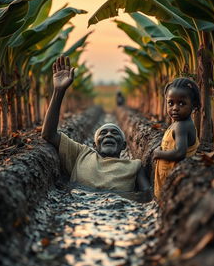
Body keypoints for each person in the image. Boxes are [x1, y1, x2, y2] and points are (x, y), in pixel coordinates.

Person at [42, 56, 150, 194]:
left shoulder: (135, 166)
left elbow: (147, 196)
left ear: (124, 145)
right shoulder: (81, 154)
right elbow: (48, 134)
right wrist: (58, 91)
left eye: (115, 132)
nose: (109, 134)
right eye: (103, 133)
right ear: (94, 145)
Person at [153, 77, 201, 200]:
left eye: (181, 103)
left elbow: (180, 153)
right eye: (171, 103)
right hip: (168, 177)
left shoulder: (182, 126)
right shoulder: (177, 124)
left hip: (173, 180)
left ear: (193, 104)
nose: (175, 107)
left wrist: (159, 153)